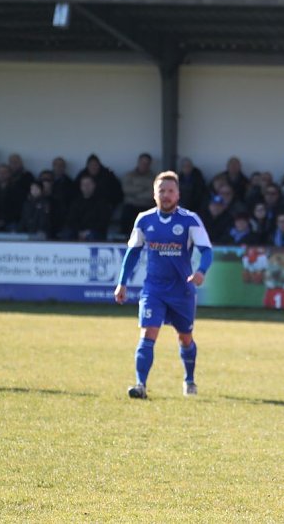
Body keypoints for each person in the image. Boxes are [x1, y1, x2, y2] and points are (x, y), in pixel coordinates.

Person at [114, 171, 213, 399]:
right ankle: (140, 385)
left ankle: (189, 380)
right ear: (154, 194)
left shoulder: (190, 220)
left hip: (182, 290)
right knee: (147, 334)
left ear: (178, 194)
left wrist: (201, 271)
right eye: (161, 191)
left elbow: (206, 250)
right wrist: (122, 283)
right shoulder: (144, 220)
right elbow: (132, 253)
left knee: (185, 338)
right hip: (154, 289)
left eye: (170, 191)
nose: (166, 195)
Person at [120, 152, 156, 235]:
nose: (144, 165)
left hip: (147, 205)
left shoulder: (154, 177)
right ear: (138, 162)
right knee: (127, 214)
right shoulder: (129, 175)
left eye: (146, 163)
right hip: (131, 205)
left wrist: (135, 193)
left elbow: (152, 194)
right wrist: (143, 188)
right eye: (142, 163)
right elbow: (126, 190)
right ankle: (125, 236)